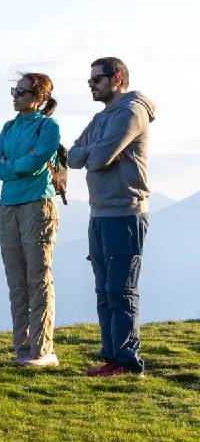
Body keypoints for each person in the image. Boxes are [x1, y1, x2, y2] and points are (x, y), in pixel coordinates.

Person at [68, 57, 155, 377]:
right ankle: (112, 358)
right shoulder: (101, 117)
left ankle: (128, 363)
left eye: (96, 80)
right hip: (100, 211)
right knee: (104, 288)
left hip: (125, 212)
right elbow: (73, 157)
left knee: (121, 289)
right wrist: (92, 150)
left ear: (116, 78)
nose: (91, 85)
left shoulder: (132, 112)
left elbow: (100, 158)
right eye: (89, 81)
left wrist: (94, 149)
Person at [0, 73, 62, 368]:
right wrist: (11, 167)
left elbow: (34, 163)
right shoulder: (8, 127)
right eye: (14, 91)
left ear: (39, 97)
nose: (16, 96)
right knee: (16, 279)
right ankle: (22, 346)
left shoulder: (48, 126)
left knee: (38, 276)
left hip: (37, 204)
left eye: (22, 92)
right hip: (8, 206)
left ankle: (42, 350)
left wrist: (11, 166)